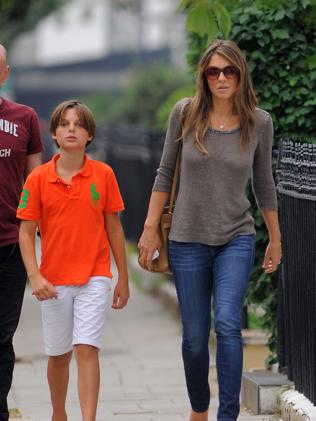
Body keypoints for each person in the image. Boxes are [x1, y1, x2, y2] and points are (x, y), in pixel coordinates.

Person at [138, 39, 282, 421]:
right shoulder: (185, 114)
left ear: (240, 75)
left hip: (237, 236)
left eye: (229, 70)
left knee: (228, 325)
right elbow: (165, 173)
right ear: (204, 75)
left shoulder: (259, 122)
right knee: (195, 339)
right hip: (186, 239)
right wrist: (151, 229)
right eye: (214, 71)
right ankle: (199, 408)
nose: (222, 78)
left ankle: (227, 416)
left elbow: (264, 184)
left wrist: (275, 239)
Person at [17, 100, 130, 421]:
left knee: (86, 348)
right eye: (64, 124)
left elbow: (115, 228)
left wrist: (122, 276)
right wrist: (35, 276)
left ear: (89, 134)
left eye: (78, 124)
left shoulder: (103, 174)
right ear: (53, 133)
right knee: (58, 355)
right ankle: (58, 413)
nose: (71, 129)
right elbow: (26, 234)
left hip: (94, 276)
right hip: (52, 281)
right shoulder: (38, 179)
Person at [0, 44, 43, 421]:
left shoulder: (24, 118)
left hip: (11, 245)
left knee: (1, 338)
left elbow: (36, 182)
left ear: (5, 73)